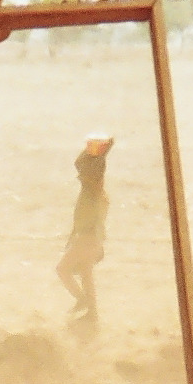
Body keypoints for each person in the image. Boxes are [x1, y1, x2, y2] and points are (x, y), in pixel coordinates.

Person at [57, 134, 112, 322]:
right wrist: (98, 152)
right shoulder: (97, 194)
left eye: (83, 176)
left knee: (63, 269)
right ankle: (92, 313)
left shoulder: (93, 194)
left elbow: (81, 163)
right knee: (86, 274)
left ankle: (83, 301)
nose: (80, 177)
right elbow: (81, 163)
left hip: (88, 237)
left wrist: (98, 154)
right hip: (93, 239)